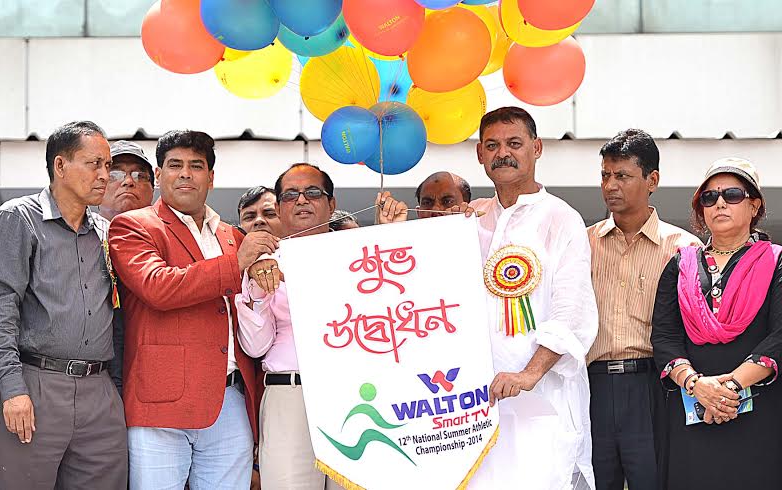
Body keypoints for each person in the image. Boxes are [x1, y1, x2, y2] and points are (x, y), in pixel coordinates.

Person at [380, 107, 597, 488]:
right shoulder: (468, 219)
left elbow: (571, 310)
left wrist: (528, 374)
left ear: (537, 148)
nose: (503, 154)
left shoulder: (561, 218)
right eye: (492, 146)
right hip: (469, 404)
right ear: (480, 154)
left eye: (514, 143)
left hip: (540, 397)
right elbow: (424, 292)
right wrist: (393, 235)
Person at [108, 130, 265, 489]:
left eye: (196, 166)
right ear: (160, 175)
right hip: (161, 402)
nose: (185, 174)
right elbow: (158, 286)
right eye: (174, 165)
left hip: (230, 399)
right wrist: (235, 264)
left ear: (211, 177)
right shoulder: (133, 225)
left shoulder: (231, 235)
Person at [0, 121, 127, 489]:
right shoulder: (18, 218)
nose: (104, 175)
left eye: (107, 166)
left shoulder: (107, 232)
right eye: (94, 163)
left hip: (100, 392)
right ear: (60, 166)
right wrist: (12, 388)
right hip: (34, 386)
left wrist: (116, 388)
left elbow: (120, 315)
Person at [651, 157, 782, 488]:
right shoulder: (681, 265)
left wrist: (729, 389)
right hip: (692, 411)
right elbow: (664, 338)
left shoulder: (777, 261)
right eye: (709, 197)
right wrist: (699, 387)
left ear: (754, 206)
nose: (719, 203)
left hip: (759, 414)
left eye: (733, 195)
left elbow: (779, 336)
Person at [587, 129, 700, 490]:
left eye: (622, 176)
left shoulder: (684, 248)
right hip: (591, 386)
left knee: (655, 481)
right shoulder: (582, 242)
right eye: (606, 175)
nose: (611, 186)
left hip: (655, 386)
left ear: (652, 180)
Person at [234, 163, 341, 490]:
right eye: (291, 195)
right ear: (280, 207)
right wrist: (255, 289)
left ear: (331, 204)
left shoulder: (360, 254)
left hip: (353, 393)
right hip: (289, 396)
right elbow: (254, 346)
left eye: (313, 192)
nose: (302, 201)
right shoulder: (264, 263)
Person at [100, 140, 156, 395]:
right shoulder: (77, 236)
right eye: (116, 173)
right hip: (91, 380)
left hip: (152, 380)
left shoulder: (170, 240)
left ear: (153, 189)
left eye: (139, 175)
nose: (128, 181)